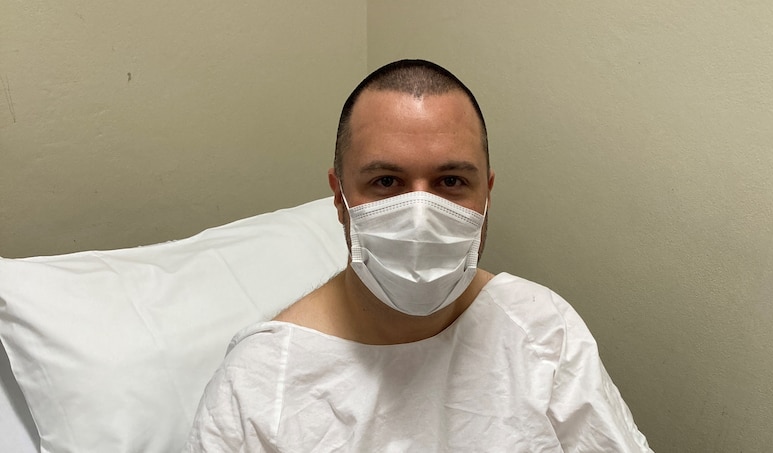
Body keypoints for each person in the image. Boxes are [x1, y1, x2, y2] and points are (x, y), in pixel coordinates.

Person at [184, 59, 652, 452]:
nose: (421, 216)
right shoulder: (260, 385)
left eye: (451, 182)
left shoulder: (542, 329)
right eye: (386, 182)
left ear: (486, 194)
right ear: (339, 195)